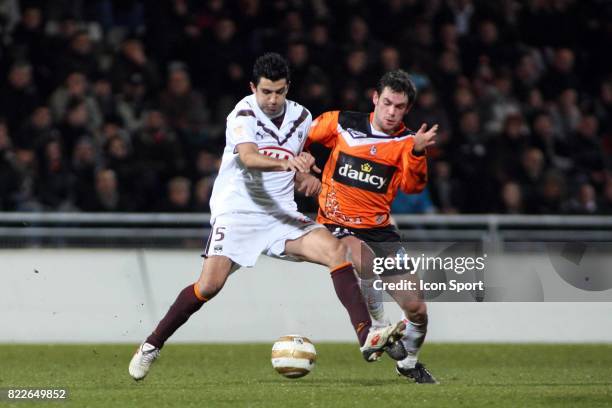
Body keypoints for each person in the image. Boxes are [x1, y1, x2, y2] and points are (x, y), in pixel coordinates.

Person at [129, 53, 406, 381]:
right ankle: (151, 345)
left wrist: (305, 170)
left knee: (337, 250)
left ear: (287, 87)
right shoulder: (242, 113)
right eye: (266, 92)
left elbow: (301, 157)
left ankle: (367, 336)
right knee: (209, 285)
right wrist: (287, 164)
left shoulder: (302, 116)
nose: (272, 99)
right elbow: (248, 157)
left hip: (280, 214)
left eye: (278, 91)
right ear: (253, 88)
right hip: (237, 213)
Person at [306, 69, 438, 383]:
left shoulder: (408, 142)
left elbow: (413, 187)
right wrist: (302, 164)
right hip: (336, 221)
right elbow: (301, 139)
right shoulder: (340, 123)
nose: (392, 112)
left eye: (400, 107)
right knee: (360, 257)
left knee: (417, 309)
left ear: (407, 109)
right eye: (388, 103)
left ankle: (409, 364)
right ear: (375, 98)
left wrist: (418, 152)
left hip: (379, 229)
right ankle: (379, 326)